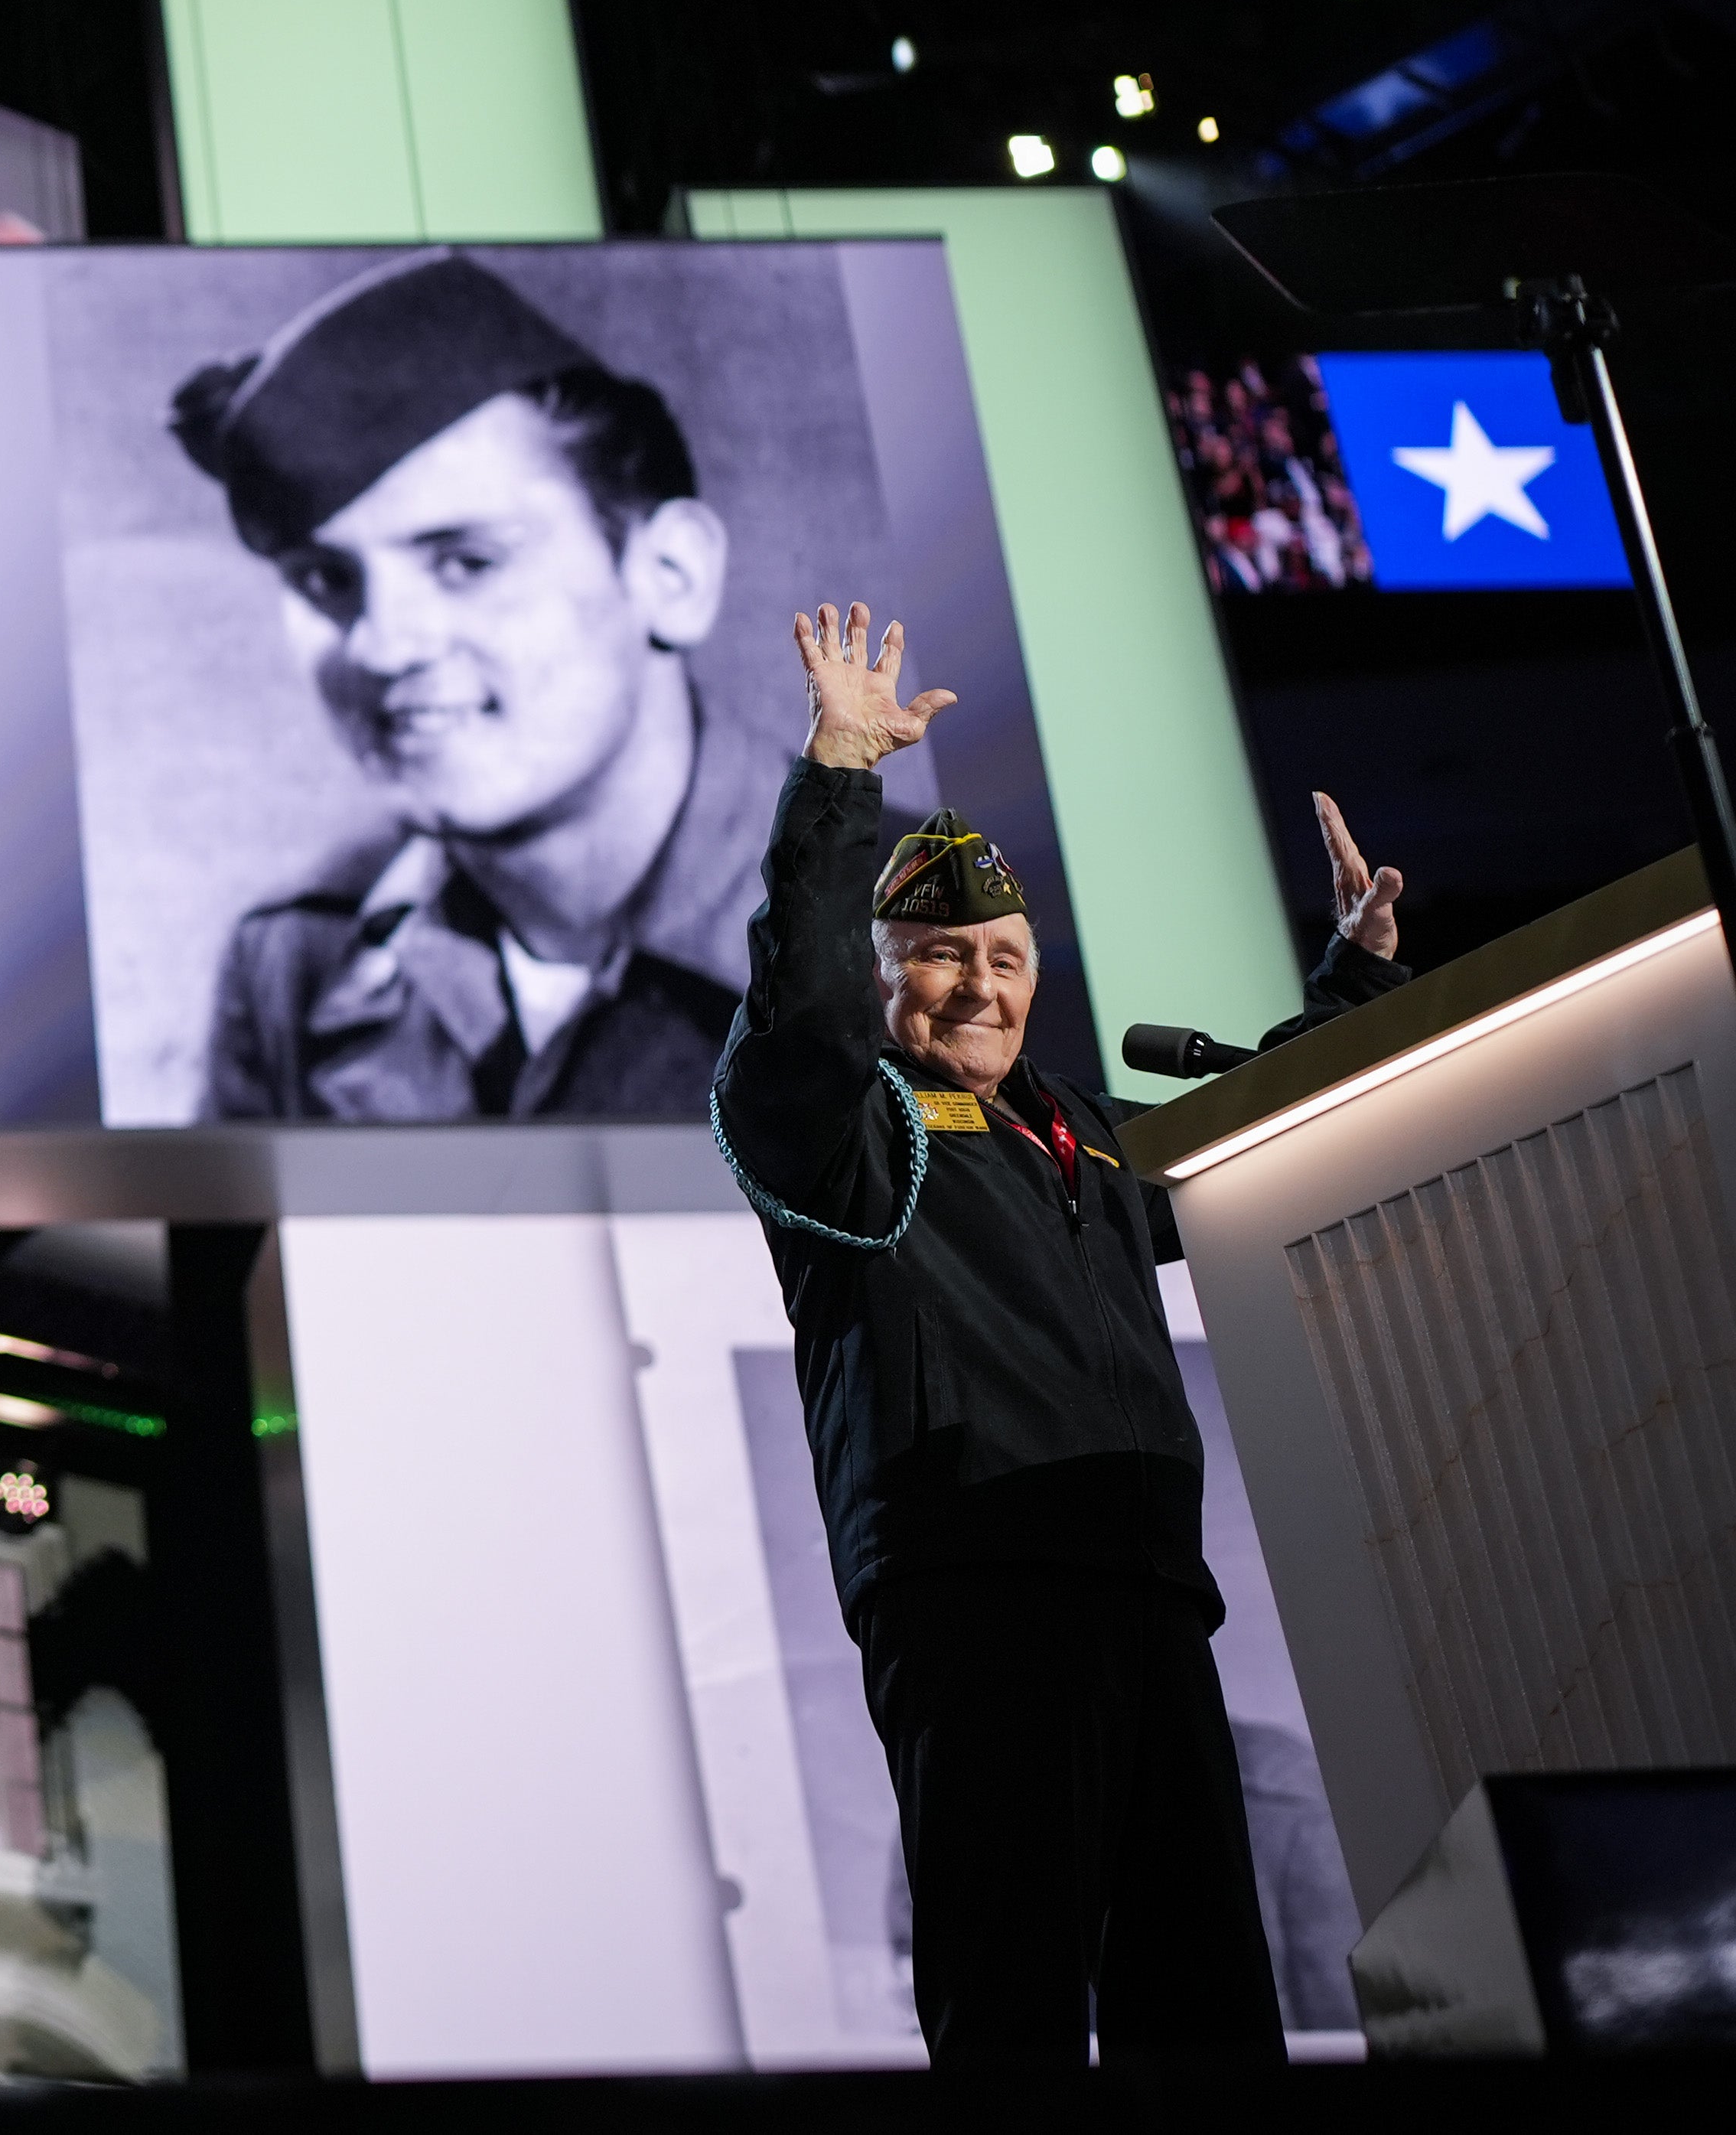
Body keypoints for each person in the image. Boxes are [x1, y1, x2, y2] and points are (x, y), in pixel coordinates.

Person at [711, 602, 1410, 2065]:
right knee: (1012, 2005)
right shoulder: (840, 1129)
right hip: (975, 1599)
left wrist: (1348, 984)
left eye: (1007, 958)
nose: (978, 985)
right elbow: (801, 1009)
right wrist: (841, 774)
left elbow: (1264, 1138)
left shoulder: (1083, 1135)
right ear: (881, 972)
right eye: (938, 956)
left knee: (1206, 2008)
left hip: (1147, 1591)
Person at [171, 252, 770, 1120]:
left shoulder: (930, 928)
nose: (382, 647)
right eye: (323, 581)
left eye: (466, 562)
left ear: (669, 575)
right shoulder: (294, 962)